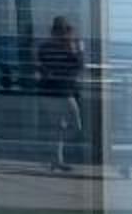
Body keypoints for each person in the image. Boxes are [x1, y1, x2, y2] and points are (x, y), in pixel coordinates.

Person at [37, 14, 92, 172]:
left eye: (65, 30)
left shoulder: (68, 46)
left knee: (61, 127)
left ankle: (56, 159)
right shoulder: (48, 47)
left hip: (59, 90)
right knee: (73, 124)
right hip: (58, 91)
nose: (63, 34)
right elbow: (76, 66)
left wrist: (74, 48)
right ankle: (56, 158)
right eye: (61, 30)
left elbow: (78, 66)